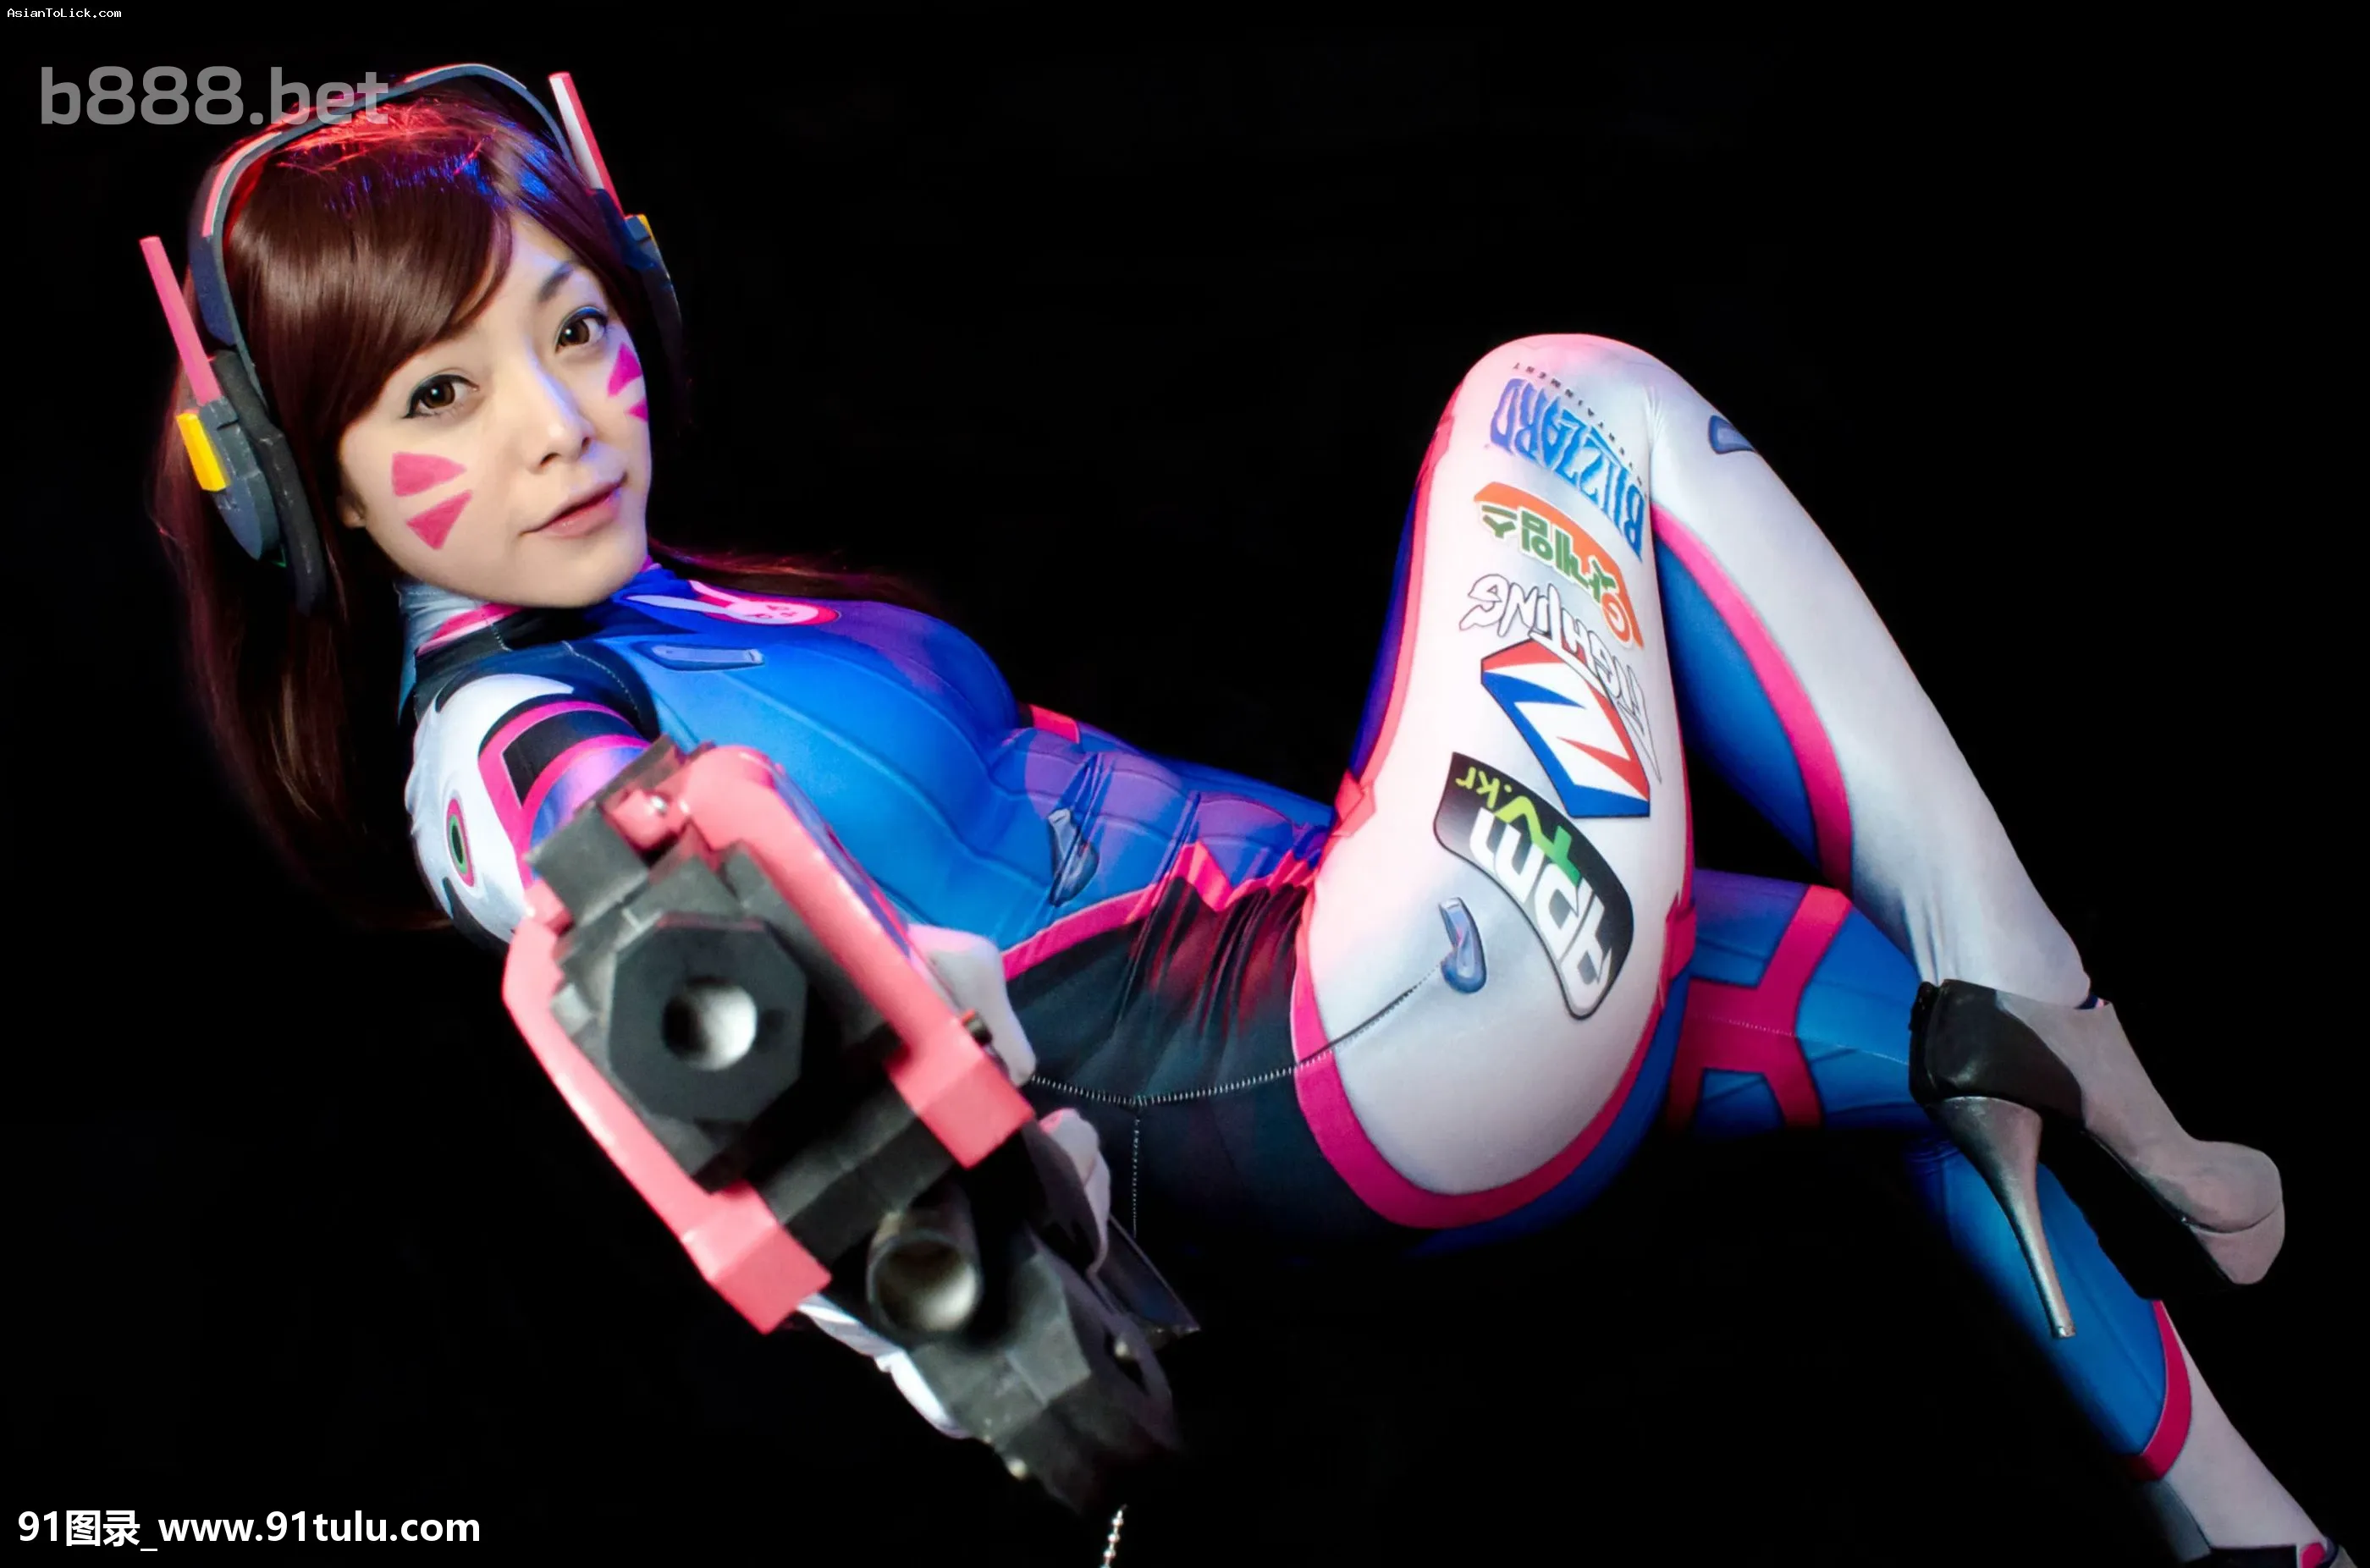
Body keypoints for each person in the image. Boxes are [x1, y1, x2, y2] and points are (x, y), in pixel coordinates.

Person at [141, 73, 2344, 1566]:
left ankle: (2249, 1521)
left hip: (1369, 970)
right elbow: (603, 913)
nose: (555, 424)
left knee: (1881, 1015)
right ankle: (2068, 1010)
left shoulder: (666, 599)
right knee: (1557, 407)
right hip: (1352, 1042)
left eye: (575, 329)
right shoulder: (507, 725)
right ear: (302, 492)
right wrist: (964, 1319)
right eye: (443, 396)